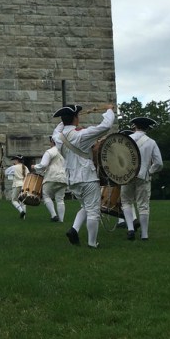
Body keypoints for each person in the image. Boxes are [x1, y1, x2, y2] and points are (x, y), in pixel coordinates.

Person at [52, 104, 115, 249]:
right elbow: (106, 126)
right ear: (76, 118)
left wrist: (66, 120)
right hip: (87, 177)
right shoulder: (81, 135)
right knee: (93, 211)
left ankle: (74, 230)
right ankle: (92, 244)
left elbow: (58, 128)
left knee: (86, 206)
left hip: (72, 180)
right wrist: (109, 110)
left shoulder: (57, 137)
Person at [121, 117, 164, 241]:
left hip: (127, 175)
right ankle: (144, 235)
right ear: (147, 128)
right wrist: (150, 171)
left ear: (135, 126)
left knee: (126, 202)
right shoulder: (151, 142)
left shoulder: (126, 139)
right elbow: (159, 163)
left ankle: (130, 229)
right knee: (143, 205)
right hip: (143, 176)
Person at [32, 136, 68, 223]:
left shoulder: (50, 151)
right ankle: (61, 220)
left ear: (52, 141)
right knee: (60, 199)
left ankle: (53, 215)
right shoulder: (65, 152)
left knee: (46, 195)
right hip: (64, 177)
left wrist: (35, 166)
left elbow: (43, 165)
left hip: (52, 176)